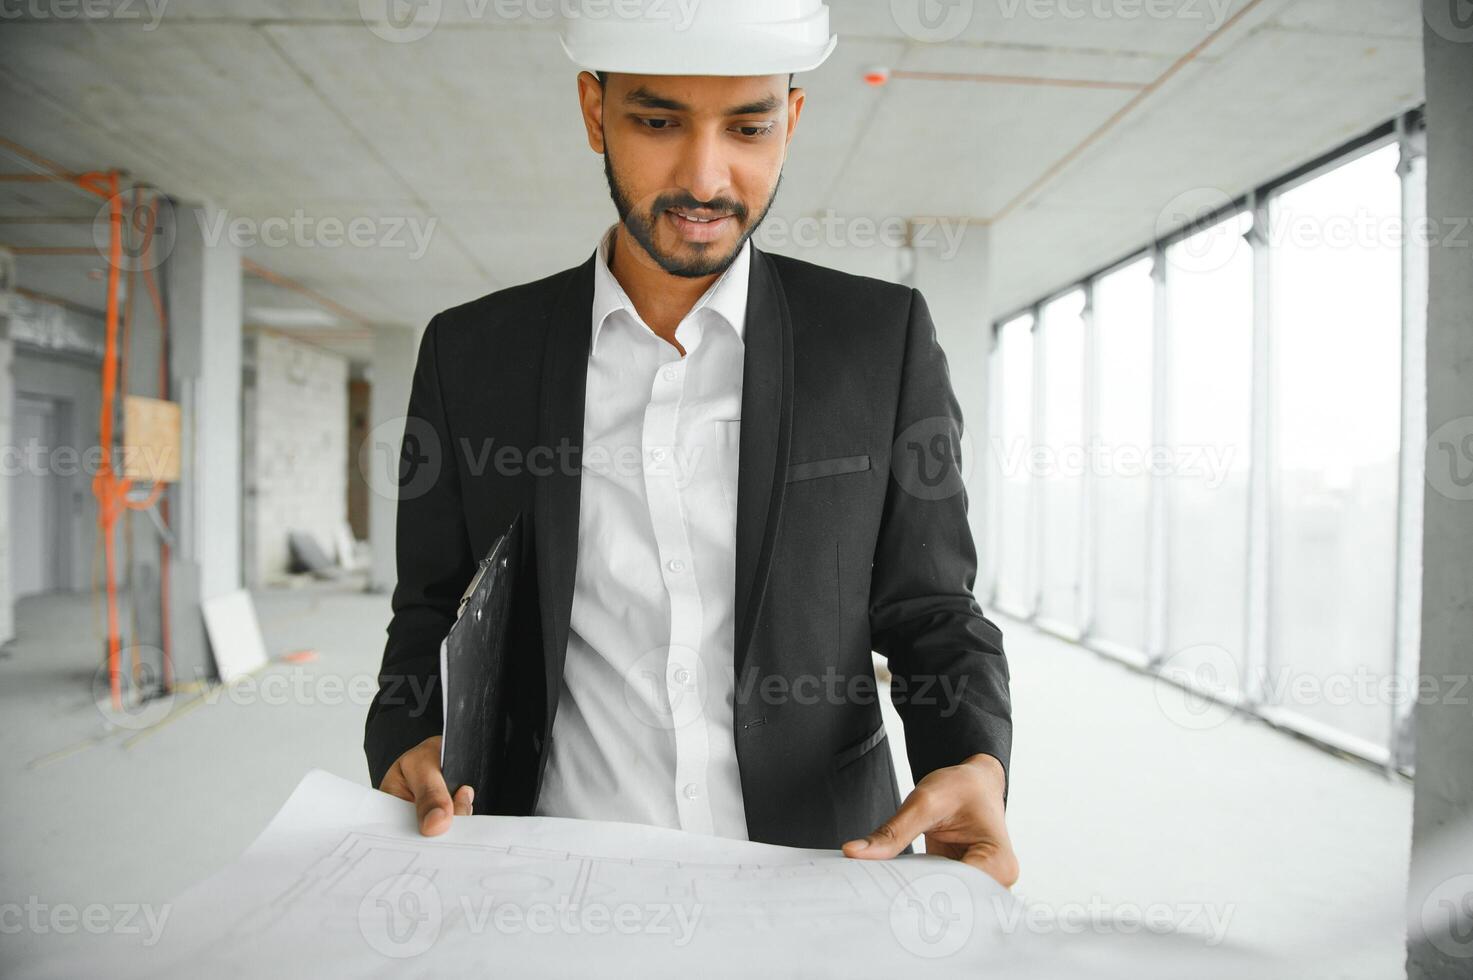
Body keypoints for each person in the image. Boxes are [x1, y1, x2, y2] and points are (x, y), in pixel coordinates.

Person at [364, 0, 1017, 887]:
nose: (705, 178)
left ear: (789, 120)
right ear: (595, 112)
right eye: (658, 121)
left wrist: (972, 758)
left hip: (818, 868)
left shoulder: (876, 340)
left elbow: (931, 607)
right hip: (549, 871)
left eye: (747, 127)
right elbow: (430, 607)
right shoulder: (470, 354)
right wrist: (410, 731)